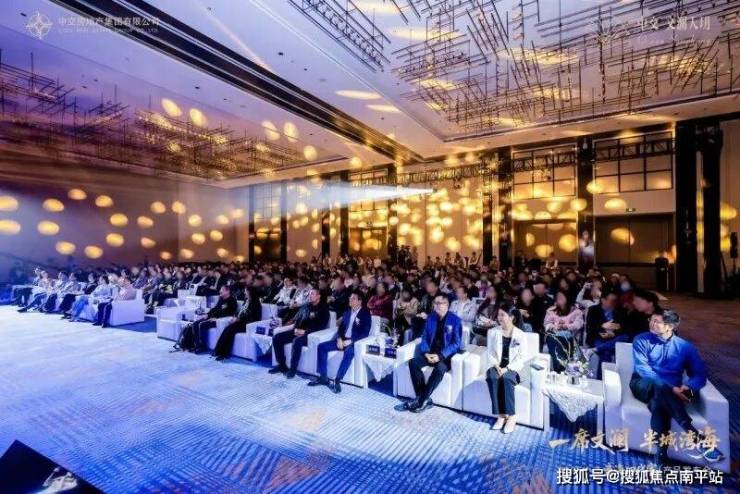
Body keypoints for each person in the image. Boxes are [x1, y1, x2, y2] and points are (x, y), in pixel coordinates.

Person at [630, 310, 724, 466]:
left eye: (657, 321)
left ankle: (661, 456)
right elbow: (643, 369)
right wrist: (672, 388)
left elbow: (699, 374)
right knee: (659, 386)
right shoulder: (641, 339)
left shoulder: (685, 347)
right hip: (642, 384)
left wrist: (688, 388)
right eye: (651, 320)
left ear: (670, 326)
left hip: (669, 393)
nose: (652, 324)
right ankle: (695, 436)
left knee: (658, 402)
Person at [396, 295, 462, 414]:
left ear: (446, 305)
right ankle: (423, 398)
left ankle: (421, 400)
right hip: (430, 353)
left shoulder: (455, 320)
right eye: (435, 303)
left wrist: (440, 356)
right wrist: (426, 353)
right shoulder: (431, 318)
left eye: (439, 303)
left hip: (445, 356)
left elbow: (456, 344)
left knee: (439, 369)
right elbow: (425, 337)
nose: (436, 305)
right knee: (413, 363)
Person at [310, 290, 371, 393]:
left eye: (353, 298)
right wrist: (339, 339)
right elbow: (340, 329)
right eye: (350, 298)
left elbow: (365, 333)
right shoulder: (347, 312)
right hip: (342, 340)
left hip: (353, 342)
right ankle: (323, 377)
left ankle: (337, 380)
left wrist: (351, 341)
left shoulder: (365, 314)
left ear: (360, 301)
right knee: (322, 347)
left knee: (349, 352)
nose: (350, 300)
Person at [485, 301, 528, 434]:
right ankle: (501, 415)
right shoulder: (493, 332)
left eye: (502, 315)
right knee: (492, 377)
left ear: (511, 317)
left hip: (514, 368)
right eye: (498, 314)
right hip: (496, 365)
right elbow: (490, 352)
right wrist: (496, 365)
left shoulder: (520, 335)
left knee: (506, 379)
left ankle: (512, 416)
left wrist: (507, 368)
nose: (499, 317)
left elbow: (521, 358)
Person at [269, 289, 330, 378]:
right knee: (277, 338)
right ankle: (282, 365)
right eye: (309, 294)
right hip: (297, 331)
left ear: (318, 296)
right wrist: (295, 329)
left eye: (312, 294)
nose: (310, 296)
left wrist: (305, 332)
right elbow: (297, 319)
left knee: (297, 341)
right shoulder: (306, 306)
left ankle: (293, 369)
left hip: (309, 334)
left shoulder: (323, 309)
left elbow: (321, 327)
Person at [176, 285, 238, 352]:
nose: (220, 291)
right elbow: (214, 309)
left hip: (220, 321)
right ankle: (195, 345)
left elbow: (230, 315)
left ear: (228, 291)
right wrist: (207, 314)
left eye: (222, 289)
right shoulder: (221, 299)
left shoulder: (232, 301)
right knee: (195, 323)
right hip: (212, 317)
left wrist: (217, 319)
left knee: (201, 325)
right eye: (220, 289)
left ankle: (201, 346)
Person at [585, 290, 627, 378]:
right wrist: (602, 326)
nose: (614, 303)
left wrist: (613, 333)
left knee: (625, 337)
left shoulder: (620, 311)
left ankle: (596, 349)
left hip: (613, 339)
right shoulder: (593, 310)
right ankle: (602, 380)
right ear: (603, 300)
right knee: (606, 352)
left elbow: (623, 328)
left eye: (615, 301)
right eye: (611, 301)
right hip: (597, 337)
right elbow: (590, 328)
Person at [212, 287, 262, 361]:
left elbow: (254, 317)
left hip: (248, 324)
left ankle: (224, 354)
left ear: (250, 292)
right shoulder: (246, 301)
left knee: (230, 330)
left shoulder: (256, 303)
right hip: (241, 322)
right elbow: (241, 312)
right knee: (227, 329)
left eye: (246, 291)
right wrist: (235, 317)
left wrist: (239, 319)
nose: (244, 293)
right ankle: (218, 350)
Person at [544, 290, 584, 373]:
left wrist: (566, 326)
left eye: (562, 297)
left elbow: (579, 324)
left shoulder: (576, 311)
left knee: (556, 342)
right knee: (552, 339)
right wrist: (555, 326)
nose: (560, 299)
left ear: (567, 298)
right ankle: (561, 369)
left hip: (570, 338)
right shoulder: (551, 311)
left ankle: (560, 370)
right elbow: (547, 324)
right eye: (558, 297)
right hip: (555, 336)